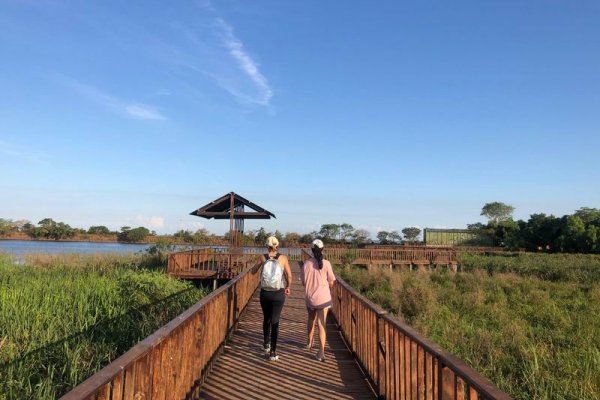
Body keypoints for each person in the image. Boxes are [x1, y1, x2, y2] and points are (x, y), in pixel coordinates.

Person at [258, 236, 292, 361]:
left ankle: (266, 344)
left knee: (266, 318)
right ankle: (273, 352)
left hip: (265, 293)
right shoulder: (283, 258)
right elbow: (289, 275)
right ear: (277, 246)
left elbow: (253, 271)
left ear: (267, 246)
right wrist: (288, 286)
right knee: (275, 321)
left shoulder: (262, 257)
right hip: (278, 293)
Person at [302, 239, 335, 361]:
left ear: (311, 250)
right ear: (322, 250)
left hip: (310, 298)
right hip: (323, 299)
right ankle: (321, 352)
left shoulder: (306, 264)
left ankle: (309, 341)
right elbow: (331, 282)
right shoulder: (326, 263)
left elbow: (303, 282)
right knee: (322, 324)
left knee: (311, 319)